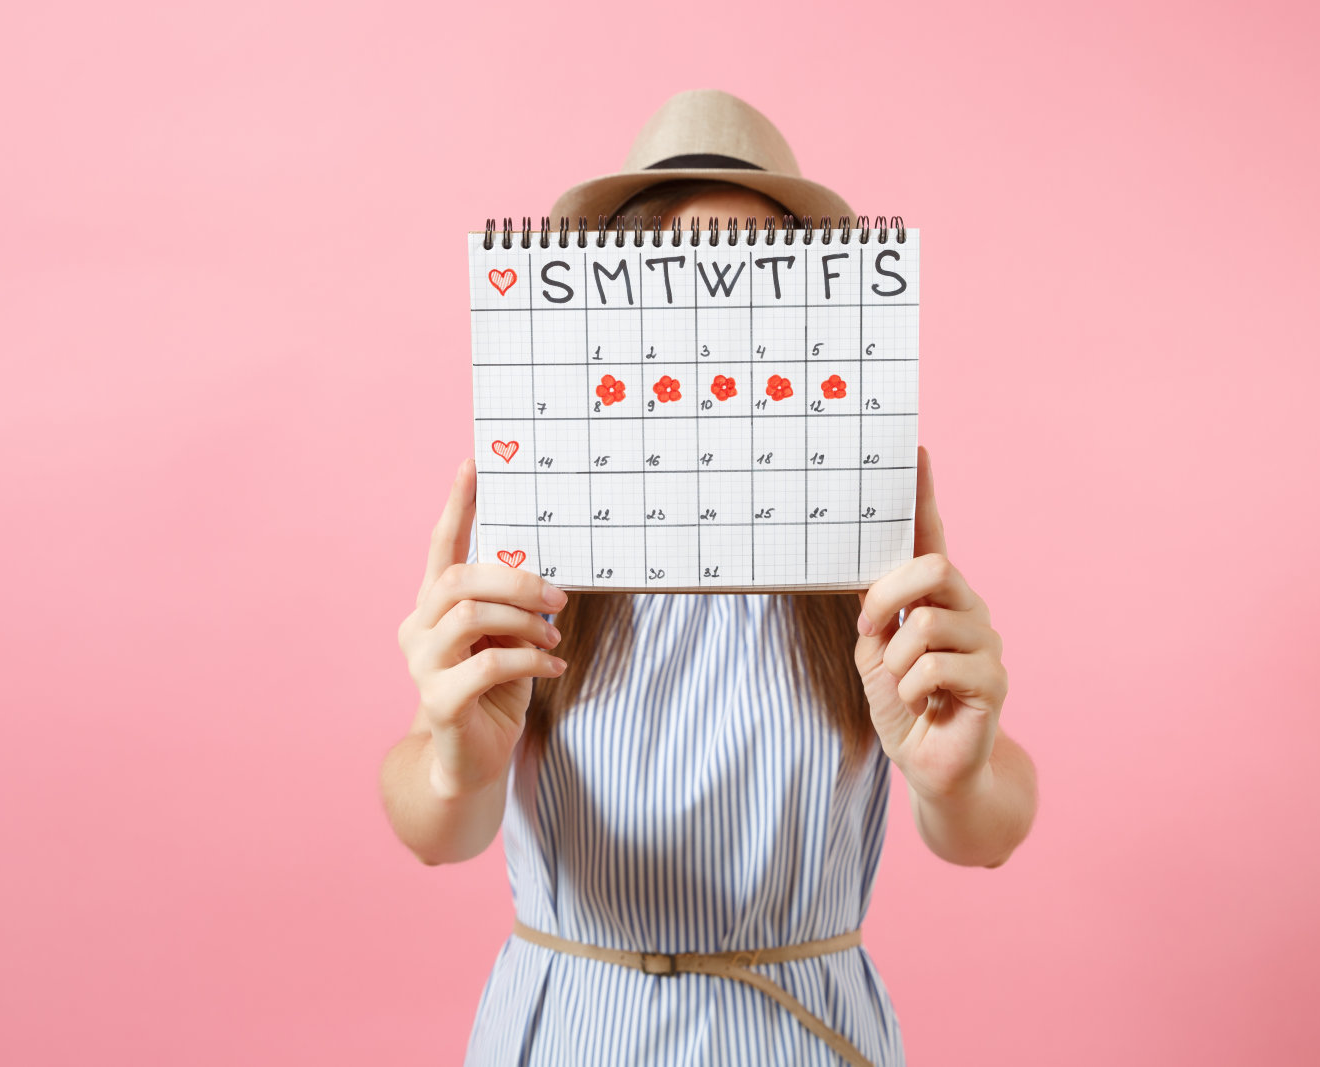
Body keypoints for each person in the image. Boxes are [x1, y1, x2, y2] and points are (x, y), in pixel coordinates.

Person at [380, 90, 1038, 1067]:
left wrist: (960, 773)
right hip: (568, 1034)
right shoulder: (540, 544)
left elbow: (986, 825)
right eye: (674, 285)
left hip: (804, 1036)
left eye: (759, 293)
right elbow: (436, 826)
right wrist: (453, 760)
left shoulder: (865, 566)